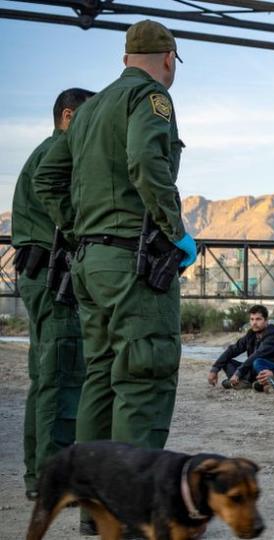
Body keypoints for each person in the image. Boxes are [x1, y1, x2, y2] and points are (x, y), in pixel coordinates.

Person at [33, 20, 194, 456]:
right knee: (145, 372)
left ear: (125, 59)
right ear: (167, 58)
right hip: (132, 264)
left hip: (90, 264)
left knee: (101, 376)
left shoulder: (88, 110)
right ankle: (130, 510)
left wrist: (78, 227)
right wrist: (174, 231)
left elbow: (46, 178)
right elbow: (145, 161)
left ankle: (95, 504)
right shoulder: (151, 96)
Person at [13, 88, 94, 501]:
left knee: (45, 380)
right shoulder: (58, 153)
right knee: (62, 379)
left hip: (41, 275)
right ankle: (52, 480)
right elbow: (67, 210)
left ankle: (39, 475)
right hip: (51, 279)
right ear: (68, 116)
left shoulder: (46, 151)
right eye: (86, 117)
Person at [208, 305, 274, 389]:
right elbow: (233, 349)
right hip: (253, 369)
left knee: (257, 362)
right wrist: (215, 369)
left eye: (258, 319)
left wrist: (238, 372)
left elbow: (258, 354)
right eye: (252, 319)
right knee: (226, 361)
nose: (254, 323)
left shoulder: (273, 334)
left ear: (266, 321)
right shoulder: (251, 334)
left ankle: (242, 381)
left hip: (272, 369)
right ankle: (243, 382)